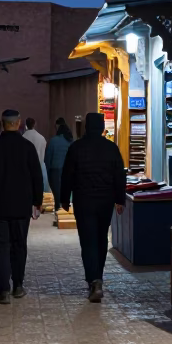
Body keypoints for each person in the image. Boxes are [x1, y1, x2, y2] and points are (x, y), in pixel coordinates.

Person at [0, 109, 43, 304]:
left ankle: (4, 290)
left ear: (2, 123)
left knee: (0, 247)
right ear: (19, 123)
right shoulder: (27, 148)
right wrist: (37, 202)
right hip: (21, 208)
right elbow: (36, 176)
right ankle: (18, 285)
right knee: (19, 245)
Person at [60, 111, 126, 302]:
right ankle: (98, 277)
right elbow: (119, 175)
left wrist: (64, 199)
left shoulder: (76, 148)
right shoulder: (111, 148)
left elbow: (67, 175)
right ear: (102, 127)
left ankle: (94, 279)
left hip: (83, 200)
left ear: (87, 127)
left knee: (88, 240)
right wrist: (120, 199)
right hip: (105, 201)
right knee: (101, 239)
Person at [45, 117, 73, 209]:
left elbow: (48, 158)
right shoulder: (70, 140)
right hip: (68, 171)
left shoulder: (53, 141)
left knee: (57, 196)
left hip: (55, 171)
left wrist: (48, 172)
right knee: (66, 195)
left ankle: (58, 211)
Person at [22, 117, 49, 193]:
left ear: (26, 125)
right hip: (39, 167)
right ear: (34, 124)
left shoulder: (23, 137)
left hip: (26, 170)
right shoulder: (41, 138)